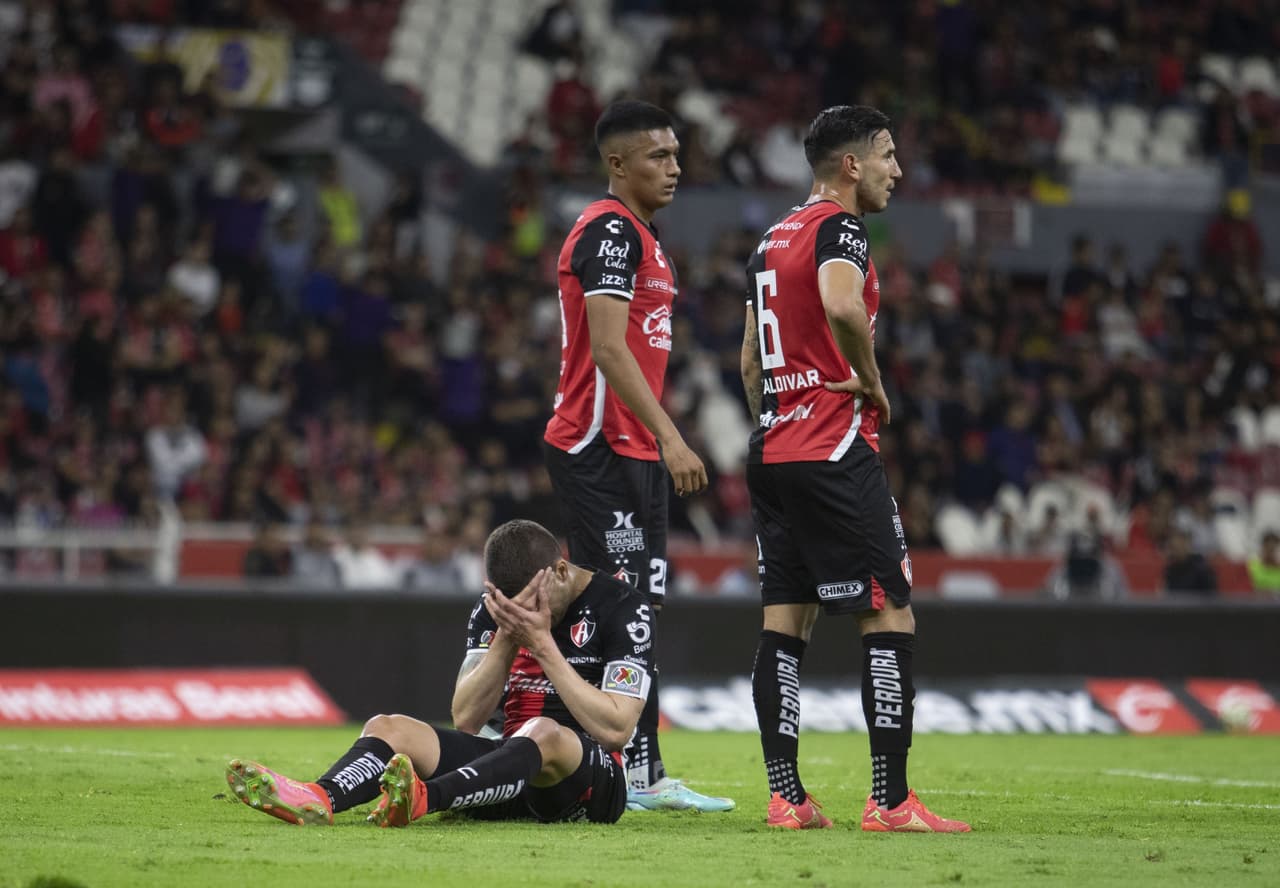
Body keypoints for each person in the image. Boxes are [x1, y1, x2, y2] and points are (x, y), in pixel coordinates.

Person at [740, 105, 969, 832]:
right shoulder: (841, 228)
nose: (897, 170)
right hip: (833, 449)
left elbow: (750, 359)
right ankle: (891, 801)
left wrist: (777, 415)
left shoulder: (773, 236)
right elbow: (843, 305)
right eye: (888, 156)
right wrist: (871, 380)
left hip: (772, 451)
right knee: (888, 610)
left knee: (784, 624)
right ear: (851, 165)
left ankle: (786, 797)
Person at [542, 100, 731, 813]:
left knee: (640, 607)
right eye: (659, 156)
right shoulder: (610, 232)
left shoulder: (644, 236)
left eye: (678, 155)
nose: (676, 167)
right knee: (617, 606)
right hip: (596, 443)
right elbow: (610, 350)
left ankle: (642, 773)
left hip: (632, 447)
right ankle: (559, 744)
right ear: (616, 164)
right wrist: (674, 436)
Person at [225, 519, 657, 826]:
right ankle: (319, 797)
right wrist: (507, 636)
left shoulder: (622, 607)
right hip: (505, 776)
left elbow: (617, 728)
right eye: (511, 605)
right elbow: (466, 718)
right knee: (388, 726)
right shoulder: (495, 611)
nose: (523, 612)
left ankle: (424, 798)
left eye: (532, 601)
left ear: (561, 571)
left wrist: (543, 645)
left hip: (588, 784)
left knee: (542, 731)